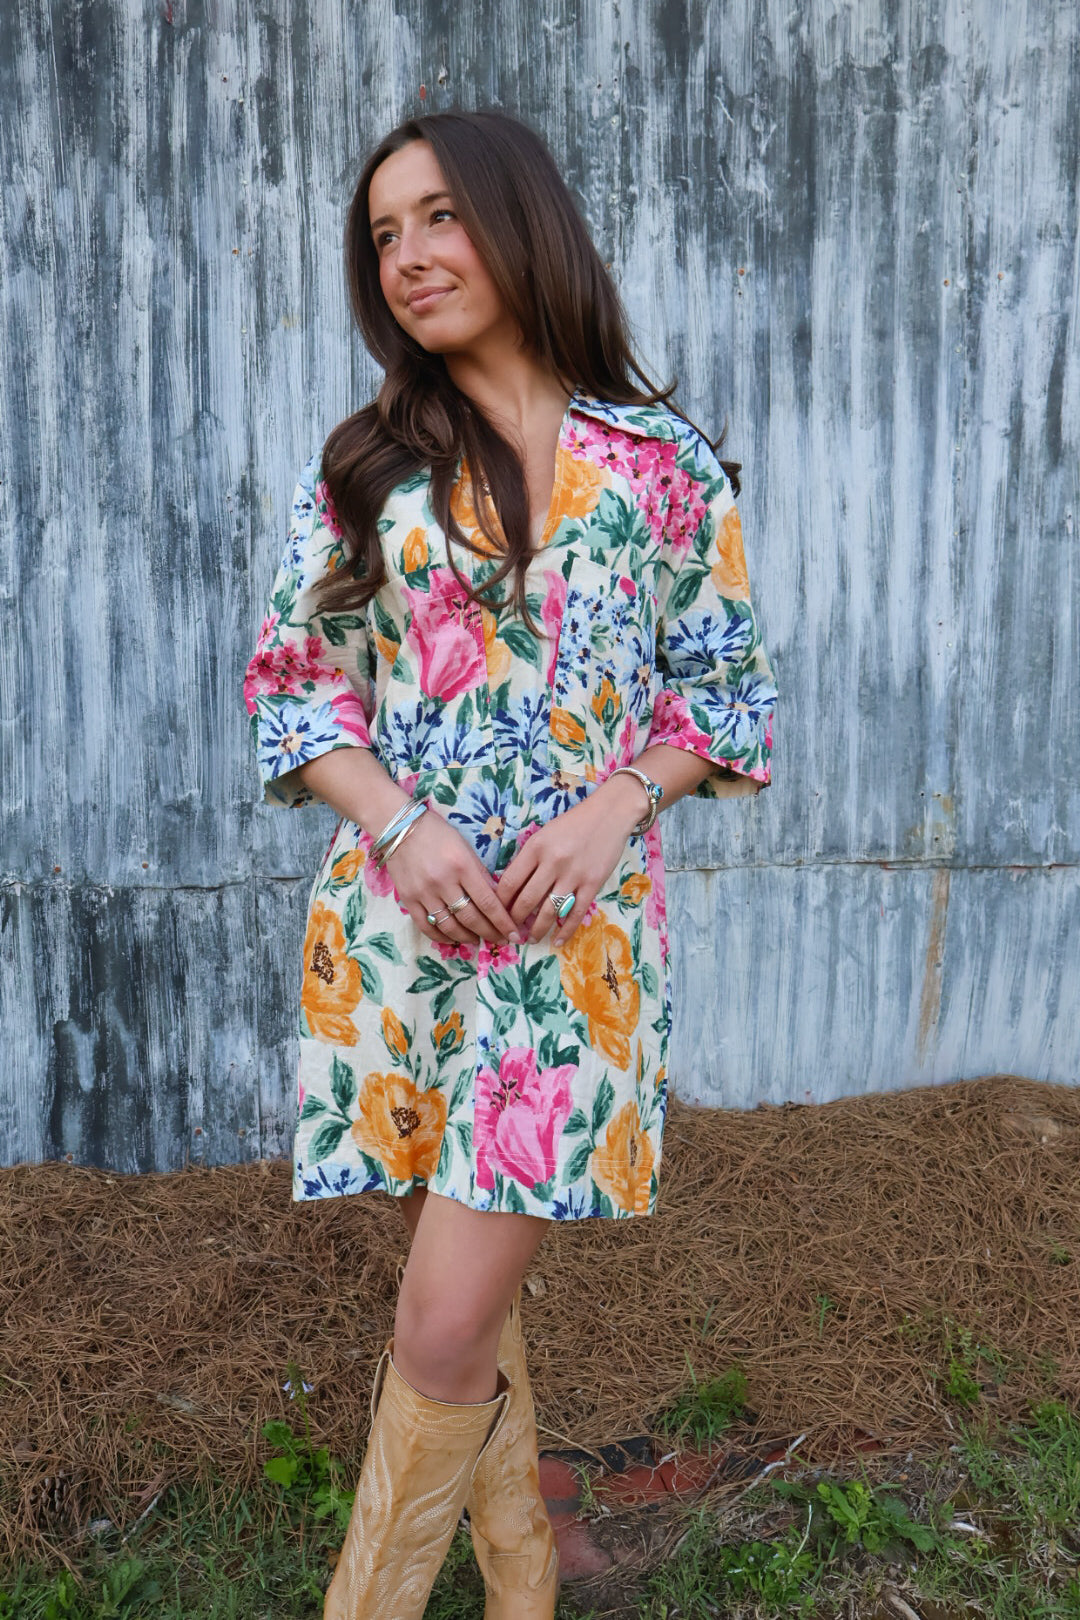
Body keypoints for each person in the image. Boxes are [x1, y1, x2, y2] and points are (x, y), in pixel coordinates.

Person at [243, 109, 777, 1620]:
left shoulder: (663, 464)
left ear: (517, 219)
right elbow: (295, 689)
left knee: (439, 1329)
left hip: (573, 948)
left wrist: (616, 807)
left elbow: (723, 694)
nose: (407, 257)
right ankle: (524, 1589)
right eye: (383, 235)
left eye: (438, 217)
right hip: (403, 934)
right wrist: (400, 827)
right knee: (463, 1314)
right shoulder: (370, 465)